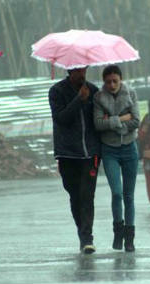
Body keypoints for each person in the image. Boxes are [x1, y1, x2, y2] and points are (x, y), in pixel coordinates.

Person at [49, 66, 101, 254]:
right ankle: (82, 231)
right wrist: (79, 100)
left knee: (87, 195)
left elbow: (98, 120)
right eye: (77, 71)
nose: (81, 74)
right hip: (67, 153)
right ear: (70, 71)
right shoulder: (57, 91)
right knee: (75, 196)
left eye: (84, 70)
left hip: (91, 153)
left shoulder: (94, 91)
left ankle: (87, 238)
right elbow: (61, 119)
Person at [93, 65, 140, 252]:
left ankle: (129, 237)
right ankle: (118, 229)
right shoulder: (98, 97)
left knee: (129, 196)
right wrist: (121, 119)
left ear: (121, 80)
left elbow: (136, 120)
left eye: (115, 81)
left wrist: (111, 121)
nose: (112, 85)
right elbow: (97, 124)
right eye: (108, 82)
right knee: (117, 192)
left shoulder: (131, 93)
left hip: (129, 148)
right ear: (104, 82)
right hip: (109, 150)